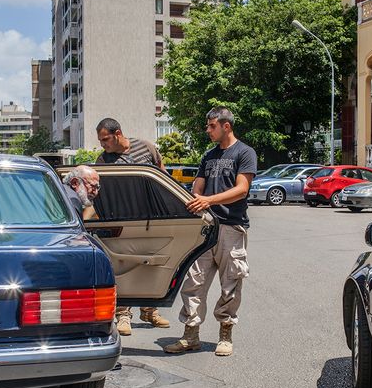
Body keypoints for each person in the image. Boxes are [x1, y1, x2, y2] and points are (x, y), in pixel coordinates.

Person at [164, 106, 257, 357]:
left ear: (226, 126)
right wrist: (195, 197)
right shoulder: (209, 155)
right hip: (205, 229)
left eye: (212, 125)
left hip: (232, 226)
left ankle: (225, 335)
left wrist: (209, 200)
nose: (208, 130)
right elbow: (198, 187)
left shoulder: (245, 153)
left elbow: (242, 190)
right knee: (194, 282)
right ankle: (190, 335)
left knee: (231, 284)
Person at [95, 117, 170, 335]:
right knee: (124, 267)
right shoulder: (103, 160)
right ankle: (123, 315)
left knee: (151, 264)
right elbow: (100, 193)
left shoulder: (145, 147)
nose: (103, 144)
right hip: (123, 222)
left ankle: (150, 311)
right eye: (101, 141)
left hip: (150, 218)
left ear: (118, 133)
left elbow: (162, 174)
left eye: (106, 139)